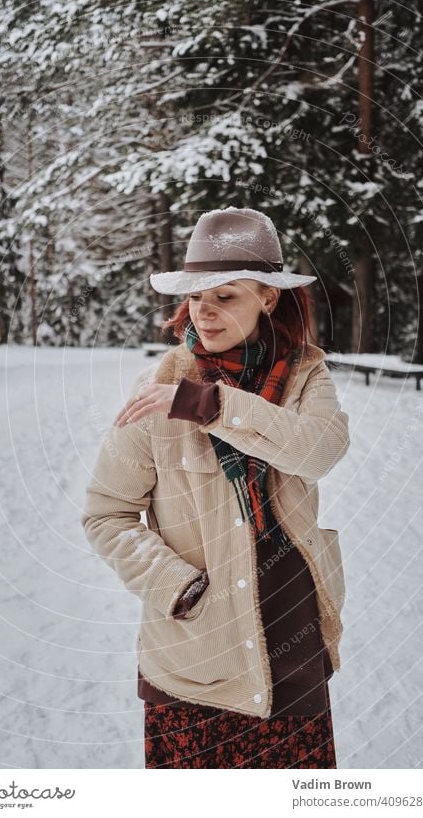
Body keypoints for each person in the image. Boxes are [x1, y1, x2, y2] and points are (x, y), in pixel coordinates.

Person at [81, 206, 350, 769]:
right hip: (194, 648)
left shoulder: (304, 377)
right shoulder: (159, 388)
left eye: (225, 296)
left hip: (289, 633)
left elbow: (319, 450)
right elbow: (107, 513)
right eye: (196, 296)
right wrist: (176, 586)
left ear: (268, 297)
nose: (204, 312)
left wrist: (210, 406)